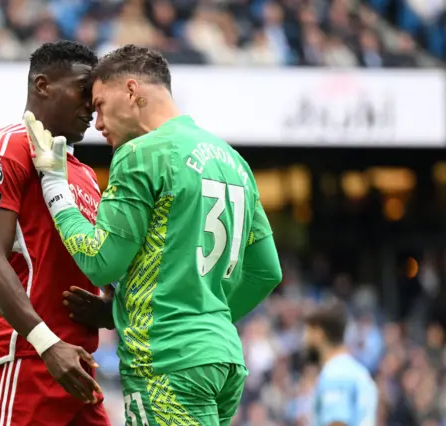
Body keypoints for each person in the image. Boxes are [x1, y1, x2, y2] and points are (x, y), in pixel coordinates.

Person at [27, 44, 282, 425]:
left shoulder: (141, 153)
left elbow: (99, 260)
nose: (96, 123)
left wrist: (55, 185)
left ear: (131, 91)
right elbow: (266, 272)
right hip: (222, 357)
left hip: (166, 360)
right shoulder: (233, 160)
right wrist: (200, 316)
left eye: (98, 105)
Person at [0, 40, 111, 426]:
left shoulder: (83, 174)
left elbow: (94, 261)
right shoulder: (9, 147)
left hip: (76, 362)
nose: (90, 108)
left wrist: (113, 308)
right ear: (43, 85)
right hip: (23, 357)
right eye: (83, 91)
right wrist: (47, 344)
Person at [304, 302, 378, 426]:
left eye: (307, 332)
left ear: (318, 333)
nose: (305, 340)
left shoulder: (335, 374)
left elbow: (338, 422)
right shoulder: (358, 371)